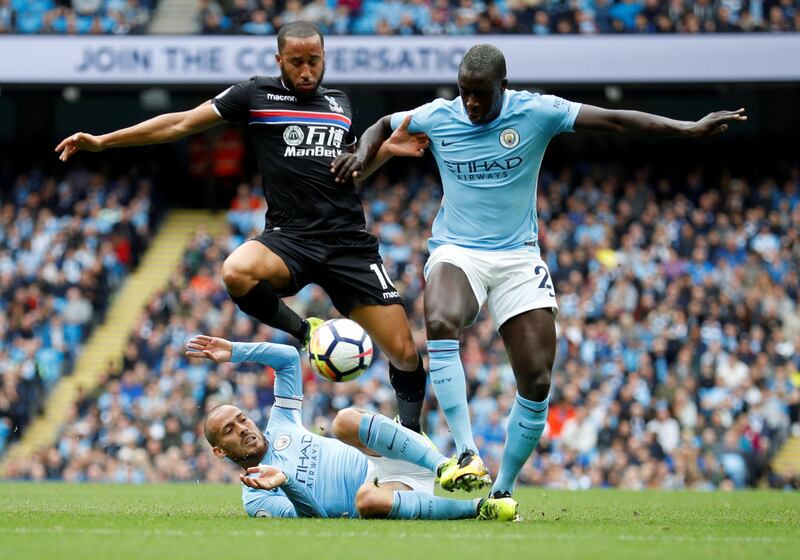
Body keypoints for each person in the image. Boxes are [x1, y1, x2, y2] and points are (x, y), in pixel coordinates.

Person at [332, 43, 747, 507]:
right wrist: (359, 152)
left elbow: (614, 119)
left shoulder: (537, 111)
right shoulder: (440, 114)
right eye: (464, 93)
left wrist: (687, 128)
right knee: (441, 318)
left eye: (480, 95)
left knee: (536, 381)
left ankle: (502, 491)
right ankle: (467, 452)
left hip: (517, 258)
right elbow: (384, 124)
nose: (470, 104)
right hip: (458, 250)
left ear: (502, 88)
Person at [54, 22, 435, 439]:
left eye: (314, 61)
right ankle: (304, 330)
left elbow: (346, 175)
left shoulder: (339, 103)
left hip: (347, 244)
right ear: (279, 61)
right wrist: (104, 141)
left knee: (403, 351)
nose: (306, 71)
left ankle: (412, 439)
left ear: (324, 58)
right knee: (236, 269)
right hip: (289, 238)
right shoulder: (255, 94)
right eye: (296, 62)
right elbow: (181, 123)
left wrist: (382, 152)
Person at [186, 334, 517, 521]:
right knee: (365, 500)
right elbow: (313, 518)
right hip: (391, 494)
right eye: (229, 430)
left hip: (399, 455)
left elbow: (287, 358)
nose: (242, 428)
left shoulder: (281, 422)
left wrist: (236, 352)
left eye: (241, 418)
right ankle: (480, 508)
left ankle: (446, 467)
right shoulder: (256, 500)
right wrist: (286, 483)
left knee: (342, 421)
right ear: (219, 451)